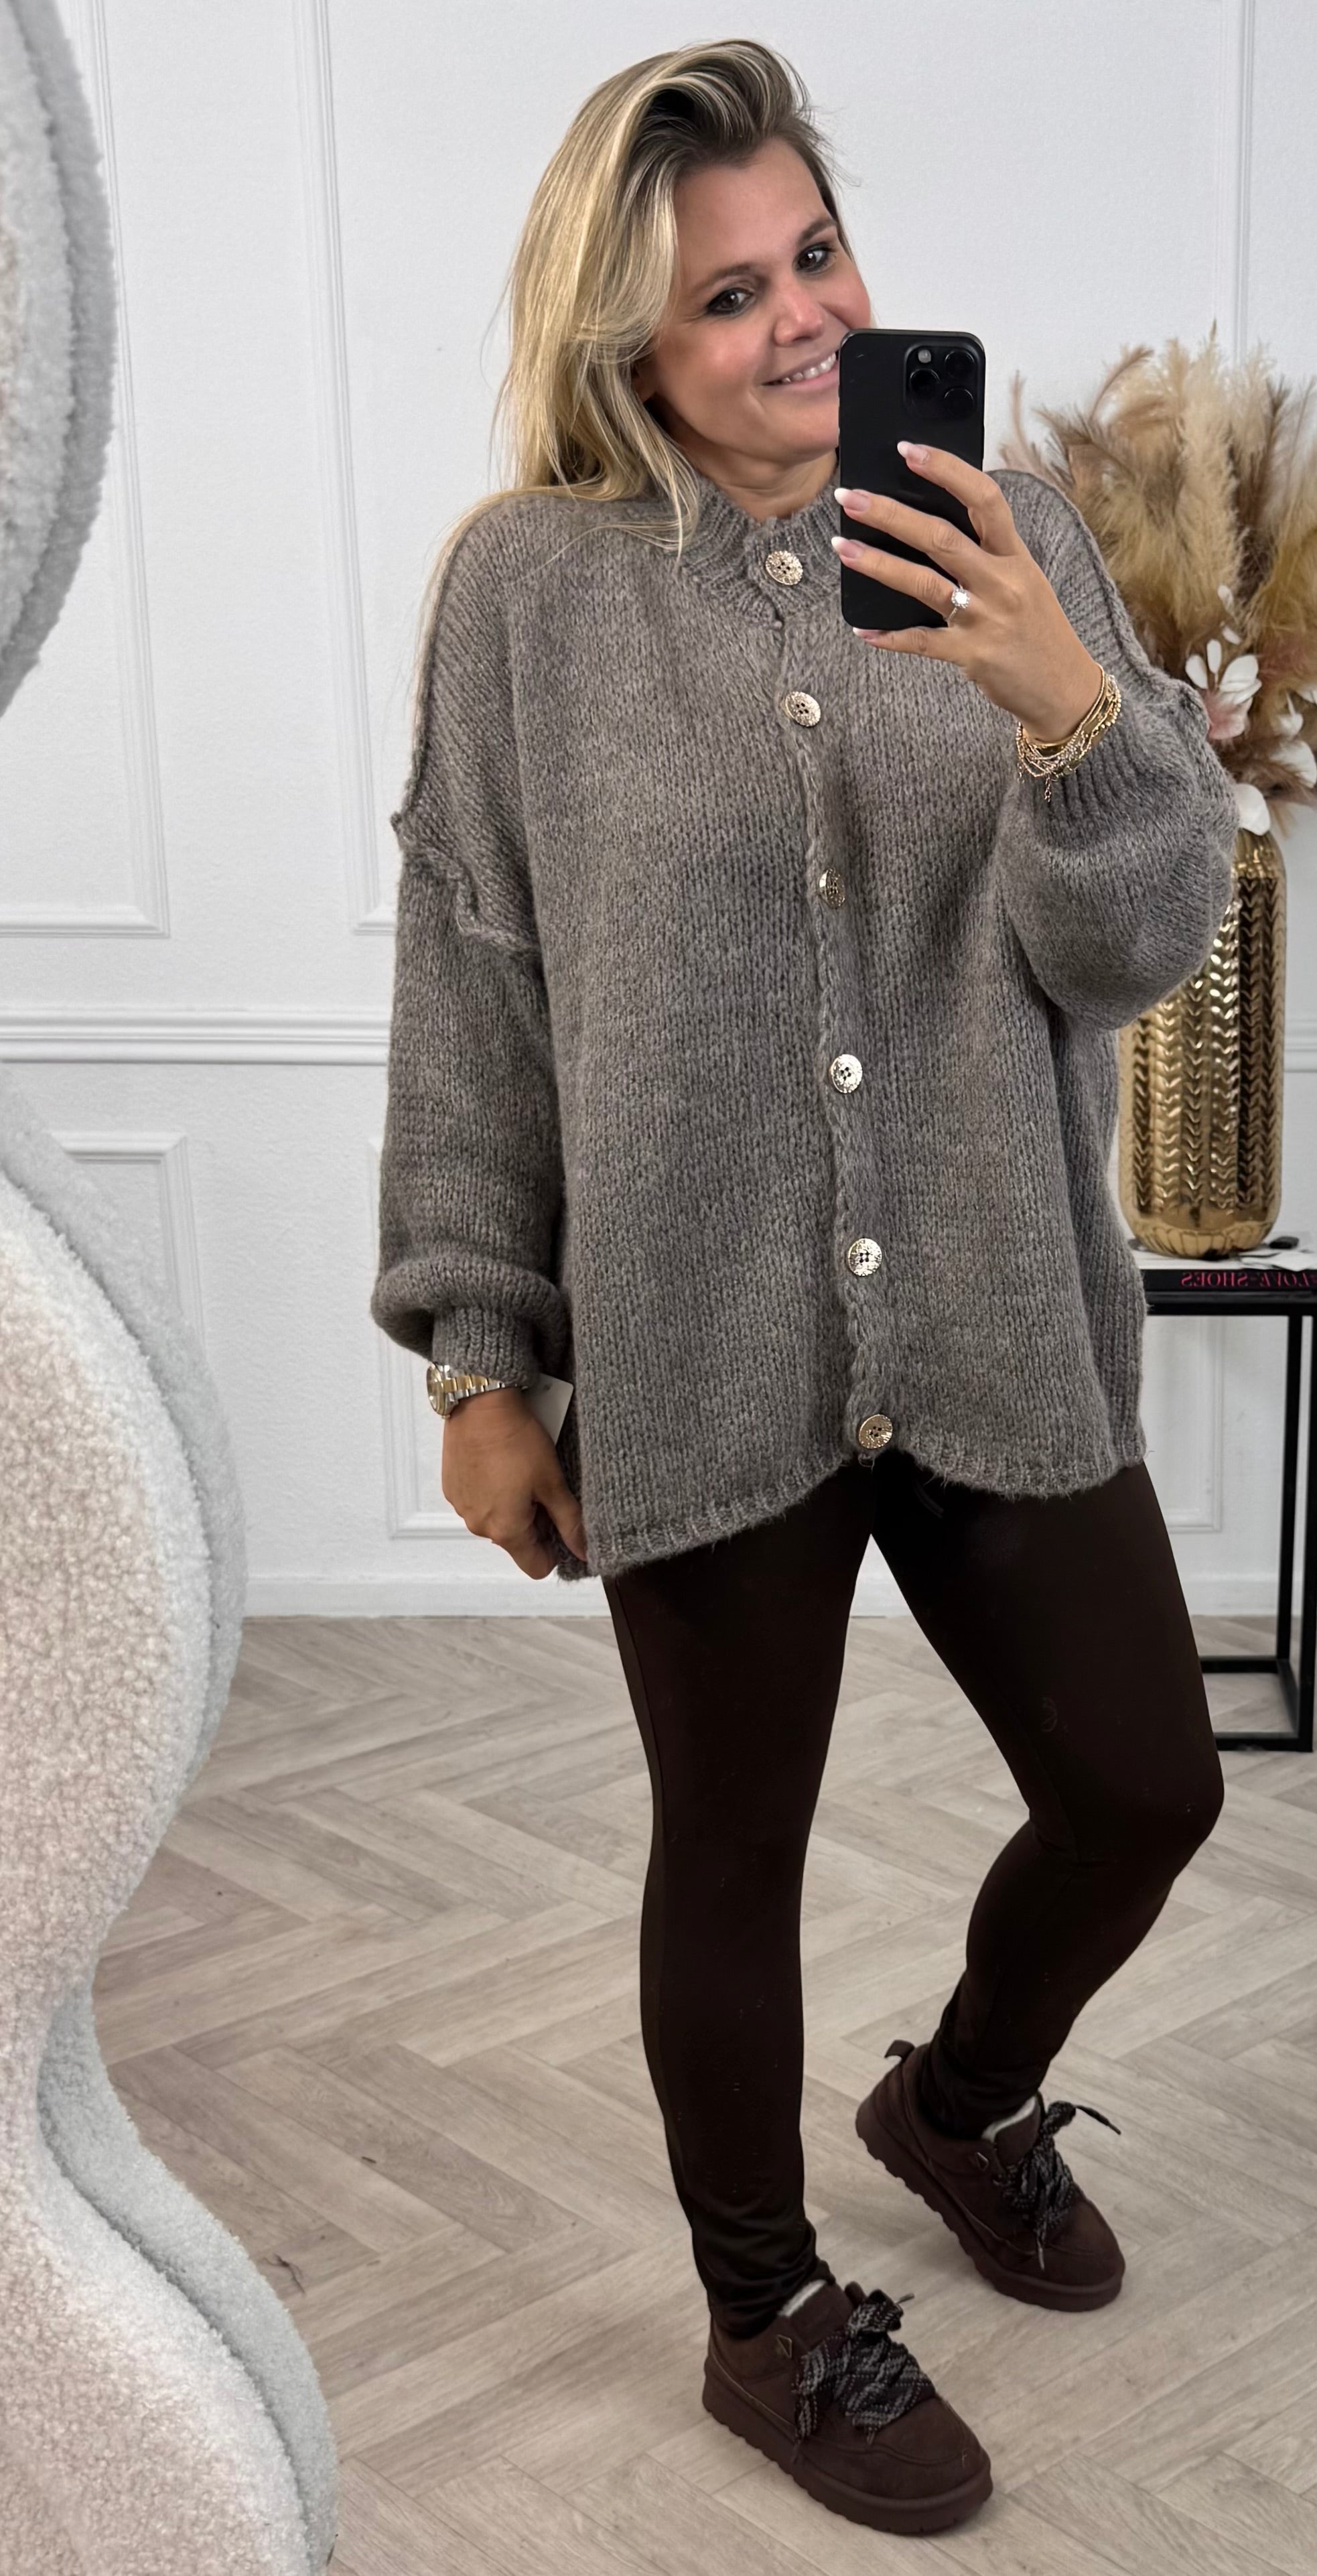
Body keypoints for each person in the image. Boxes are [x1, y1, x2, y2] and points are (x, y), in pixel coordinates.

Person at [370, 38, 1235, 2540]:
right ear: (627, 350)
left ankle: (953, 2104)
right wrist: (478, 1353)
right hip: (704, 1333)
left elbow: (1137, 947)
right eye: (726, 296)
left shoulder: (1008, 528)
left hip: (990, 1303)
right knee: (727, 1844)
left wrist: (1069, 714)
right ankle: (765, 2315)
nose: (800, 322)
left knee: (1144, 1784)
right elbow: (477, 983)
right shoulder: (525, 596)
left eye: (815, 255)